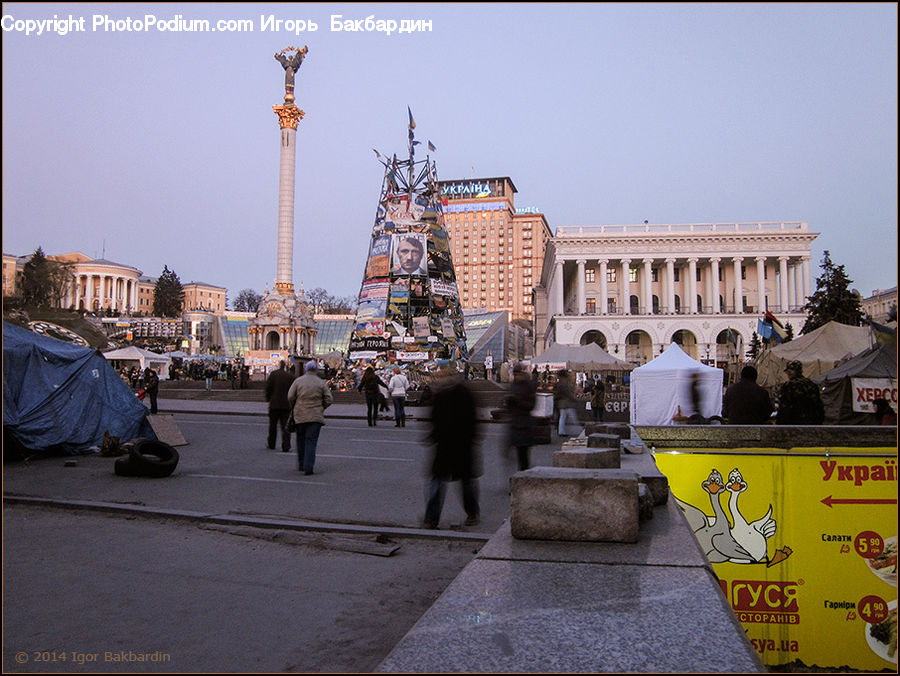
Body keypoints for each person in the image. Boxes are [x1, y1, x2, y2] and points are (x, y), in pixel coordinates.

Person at [424, 366, 481, 529]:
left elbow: (471, 421)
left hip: (458, 446)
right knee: (444, 483)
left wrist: (433, 436)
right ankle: (432, 518)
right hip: (449, 447)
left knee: (462, 484)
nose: (440, 381)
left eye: (442, 377)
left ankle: (471, 513)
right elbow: (434, 419)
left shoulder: (463, 394)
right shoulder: (442, 395)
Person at [287, 360, 333, 475]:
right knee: (311, 441)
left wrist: (295, 406)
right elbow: (329, 399)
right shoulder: (320, 383)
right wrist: (322, 407)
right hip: (315, 416)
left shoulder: (298, 381)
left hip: (300, 415)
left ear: (305, 369)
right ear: (316, 370)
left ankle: (302, 464)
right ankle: (309, 466)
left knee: (300, 440)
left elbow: (290, 396)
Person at [507, 363, 536, 471]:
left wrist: (518, 402)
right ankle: (521, 475)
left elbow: (531, 405)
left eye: (517, 374)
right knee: (519, 453)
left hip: (525, 424)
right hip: (515, 423)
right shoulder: (513, 386)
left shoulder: (528, 386)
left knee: (524, 456)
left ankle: (525, 476)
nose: (516, 377)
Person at [776, 360, 825, 425]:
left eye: (791, 370)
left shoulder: (789, 386)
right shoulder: (811, 384)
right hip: (810, 423)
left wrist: (780, 424)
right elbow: (819, 405)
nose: (789, 373)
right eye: (788, 371)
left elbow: (784, 408)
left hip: (793, 423)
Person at [265, 360, 295, 451]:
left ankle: (271, 444)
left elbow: (268, 388)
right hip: (286, 405)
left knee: (272, 426)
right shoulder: (290, 376)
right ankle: (286, 445)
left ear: (279, 366)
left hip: (274, 404)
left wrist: (268, 398)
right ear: (285, 366)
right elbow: (293, 391)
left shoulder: (273, 374)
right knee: (285, 426)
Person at [554, 369, 581, 437]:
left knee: (562, 417)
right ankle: (577, 430)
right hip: (567, 402)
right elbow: (568, 392)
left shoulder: (559, 382)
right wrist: (573, 398)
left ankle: (561, 431)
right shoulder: (564, 382)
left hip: (561, 402)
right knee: (571, 416)